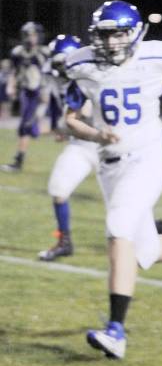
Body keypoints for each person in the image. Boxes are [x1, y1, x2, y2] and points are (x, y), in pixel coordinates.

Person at [63, 0, 162, 359]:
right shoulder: (83, 66)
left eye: (119, 34)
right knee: (146, 251)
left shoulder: (155, 63)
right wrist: (94, 135)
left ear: (135, 34)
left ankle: (115, 331)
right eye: (106, 35)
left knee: (118, 228)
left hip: (148, 159)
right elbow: (71, 119)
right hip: (110, 166)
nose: (112, 43)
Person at [37, 35, 96, 261]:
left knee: (123, 203)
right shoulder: (59, 80)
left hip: (107, 147)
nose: (59, 68)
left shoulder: (92, 76)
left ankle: (151, 227)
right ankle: (64, 242)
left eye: (63, 63)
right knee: (59, 189)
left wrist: (64, 125)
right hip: (81, 144)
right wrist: (60, 128)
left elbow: (86, 115)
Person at [1, 22, 50, 172]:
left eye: (33, 35)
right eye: (27, 35)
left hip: (39, 92)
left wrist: (47, 92)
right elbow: (14, 72)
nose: (30, 38)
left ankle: (18, 161)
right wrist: (11, 85)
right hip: (25, 93)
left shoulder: (44, 53)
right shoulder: (18, 53)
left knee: (26, 126)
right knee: (29, 127)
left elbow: (50, 75)